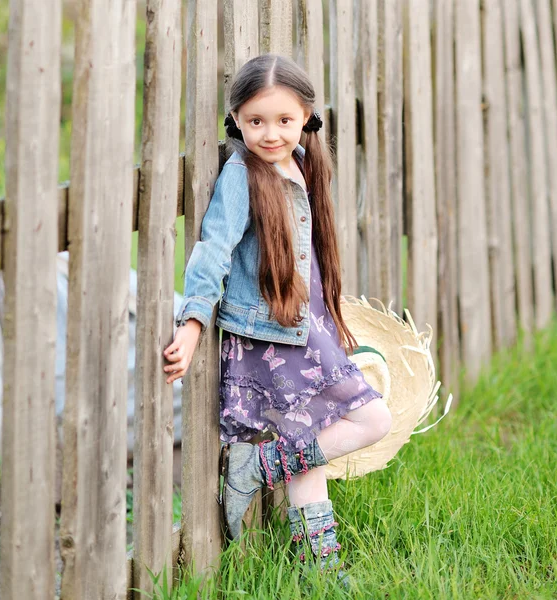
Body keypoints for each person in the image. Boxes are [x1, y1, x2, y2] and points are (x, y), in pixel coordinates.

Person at [163, 54, 392, 587]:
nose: (270, 133)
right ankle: (260, 470)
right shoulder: (242, 175)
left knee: (308, 454)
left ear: (306, 116)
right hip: (273, 338)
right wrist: (193, 323)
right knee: (372, 420)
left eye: (284, 120)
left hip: (304, 326)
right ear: (237, 121)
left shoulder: (305, 163)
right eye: (256, 121)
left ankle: (320, 570)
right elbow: (214, 248)